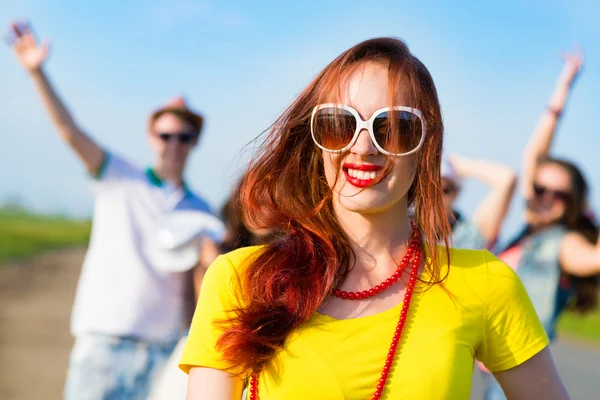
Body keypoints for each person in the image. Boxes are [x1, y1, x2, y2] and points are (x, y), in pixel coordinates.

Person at [179, 38, 569, 399]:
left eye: (395, 128)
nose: (363, 147)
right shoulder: (240, 278)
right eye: (338, 124)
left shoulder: (484, 282)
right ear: (315, 140)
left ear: (426, 147)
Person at [7, 21, 212, 399]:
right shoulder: (118, 175)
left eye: (184, 137)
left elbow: (197, 287)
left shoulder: (201, 211)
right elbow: (69, 131)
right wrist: (37, 72)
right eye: (165, 135)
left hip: (164, 351)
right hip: (104, 344)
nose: (174, 145)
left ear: (194, 142)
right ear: (151, 136)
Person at [480, 49, 600, 400]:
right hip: (494, 368)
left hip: (517, 370)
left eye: (558, 195)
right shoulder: (526, 235)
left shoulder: (565, 244)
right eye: (539, 188)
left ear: (571, 204)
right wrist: (562, 88)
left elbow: (592, 259)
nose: (545, 198)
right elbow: (533, 156)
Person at [149, 181, 268, 399]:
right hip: (212, 340)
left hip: (246, 344)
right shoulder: (214, 245)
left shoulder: (281, 254)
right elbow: (199, 307)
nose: (263, 206)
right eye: (256, 196)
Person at [441, 155, 516, 249]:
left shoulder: (471, 235)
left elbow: (506, 179)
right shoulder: (416, 231)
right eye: (429, 189)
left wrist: (464, 166)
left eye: (444, 190)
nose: (436, 198)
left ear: (456, 193)